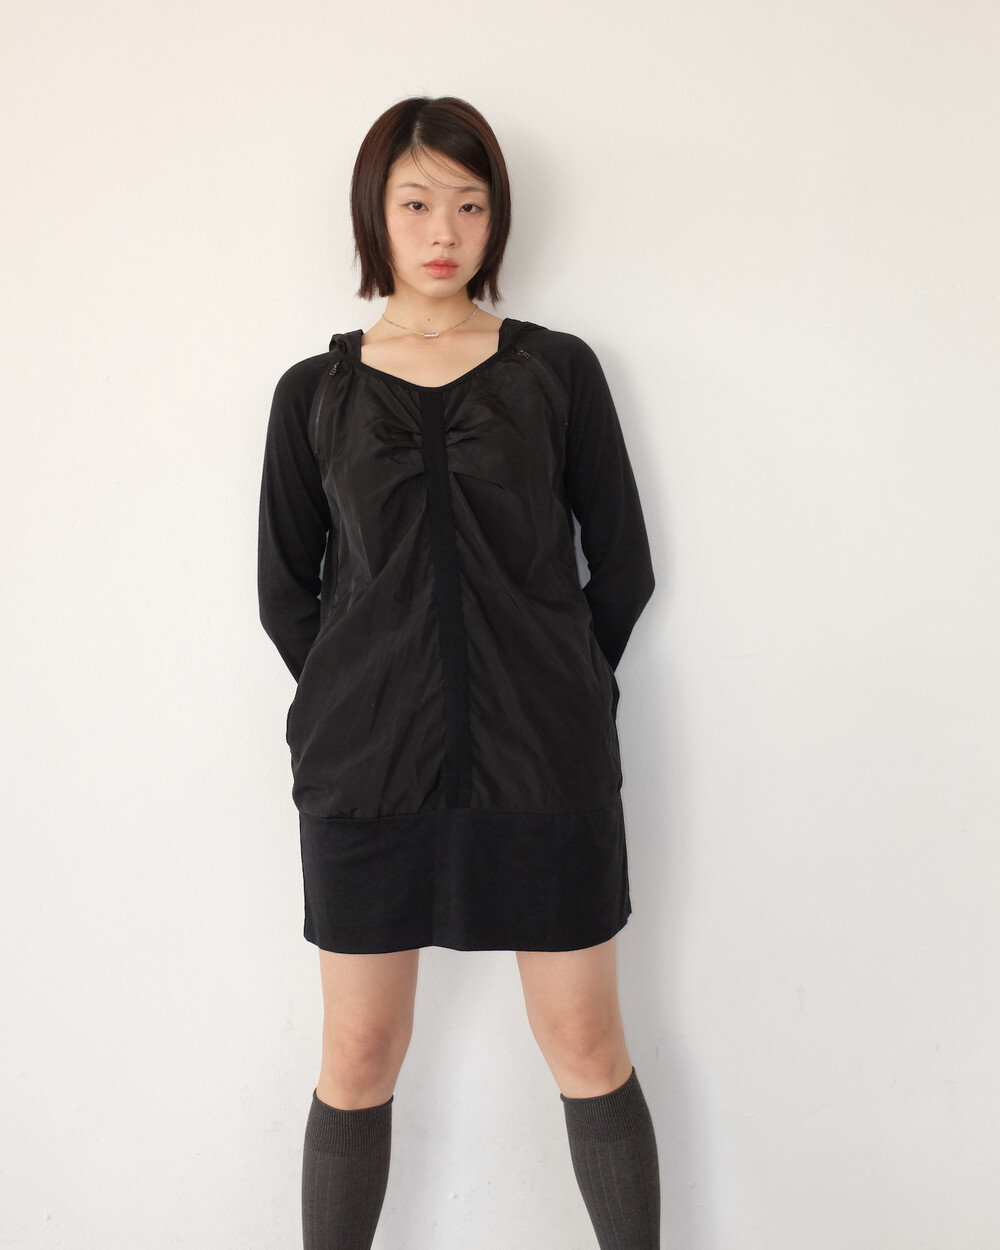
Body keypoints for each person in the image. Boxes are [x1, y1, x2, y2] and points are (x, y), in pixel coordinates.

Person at [258, 95, 659, 1250]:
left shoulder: (558, 371)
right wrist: (364, 693)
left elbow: (621, 568)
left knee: (585, 1042)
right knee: (358, 1052)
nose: (445, 230)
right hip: (366, 774)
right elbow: (286, 590)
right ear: (373, 215)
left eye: (471, 205)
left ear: (497, 220)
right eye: (417, 202)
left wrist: (554, 686)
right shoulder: (313, 393)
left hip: (546, 767)